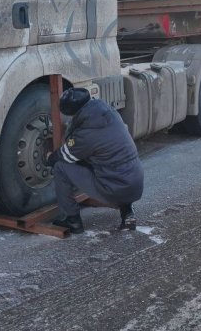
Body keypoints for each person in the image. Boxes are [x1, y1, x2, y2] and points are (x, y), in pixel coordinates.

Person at [46, 88, 144, 234]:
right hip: (135, 183)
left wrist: (50, 158)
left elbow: (66, 155)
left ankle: (73, 220)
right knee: (110, 164)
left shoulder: (86, 133)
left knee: (60, 167)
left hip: (114, 189)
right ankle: (127, 212)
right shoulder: (109, 112)